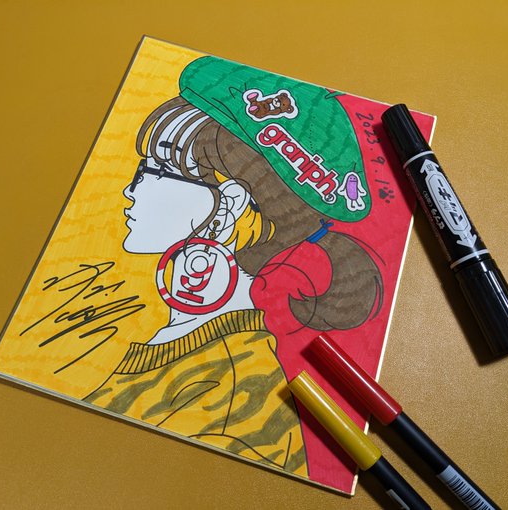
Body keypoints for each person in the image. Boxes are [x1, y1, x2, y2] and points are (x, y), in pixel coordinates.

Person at [84, 89, 383, 477]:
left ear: (228, 204)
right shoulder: (195, 346)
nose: (130, 189)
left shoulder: (234, 385)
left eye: (151, 171)